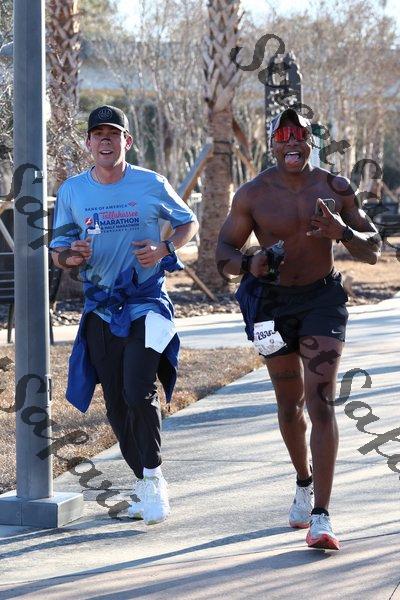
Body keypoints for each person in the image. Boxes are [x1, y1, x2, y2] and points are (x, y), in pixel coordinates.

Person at [216, 107, 381, 550]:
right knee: (290, 406)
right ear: (271, 143)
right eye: (283, 135)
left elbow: (374, 250)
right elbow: (223, 253)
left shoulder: (335, 187)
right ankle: (303, 481)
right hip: (271, 305)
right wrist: (249, 263)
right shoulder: (252, 194)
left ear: (312, 142)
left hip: (322, 300)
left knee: (320, 401)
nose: (292, 141)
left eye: (300, 134)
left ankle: (322, 517)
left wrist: (342, 232)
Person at [50, 105, 198, 525]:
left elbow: (188, 223)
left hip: (146, 303)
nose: (105, 140)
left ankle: (153, 480)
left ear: (126, 142)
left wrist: (164, 249)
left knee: (138, 390)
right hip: (100, 307)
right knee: (116, 404)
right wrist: (72, 256)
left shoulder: (151, 183)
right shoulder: (72, 191)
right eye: (98, 134)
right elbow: (59, 251)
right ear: (88, 143)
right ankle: (143, 482)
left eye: (113, 134)